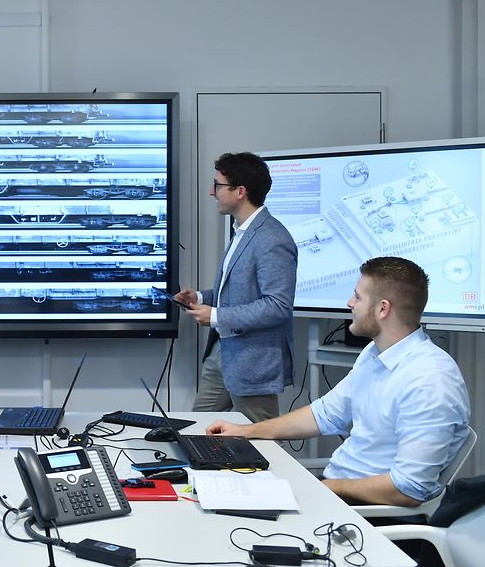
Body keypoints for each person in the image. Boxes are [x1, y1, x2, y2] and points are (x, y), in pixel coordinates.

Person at [208, 257, 471, 507]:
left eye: (357, 296)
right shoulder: (375, 353)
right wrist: (247, 431)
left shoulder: (430, 380)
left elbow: (407, 489)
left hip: (366, 513)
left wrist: (326, 487)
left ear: (382, 308)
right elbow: (324, 414)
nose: (349, 303)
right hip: (336, 492)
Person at [175, 152, 297, 423]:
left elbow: (277, 306)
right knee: (196, 428)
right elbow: (237, 292)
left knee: (262, 442)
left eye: (217, 185)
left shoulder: (272, 239)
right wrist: (198, 297)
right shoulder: (241, 231)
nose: (211, 192)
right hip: (223, 354)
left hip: (252, 362)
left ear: (240, 191)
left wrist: (216, 316)